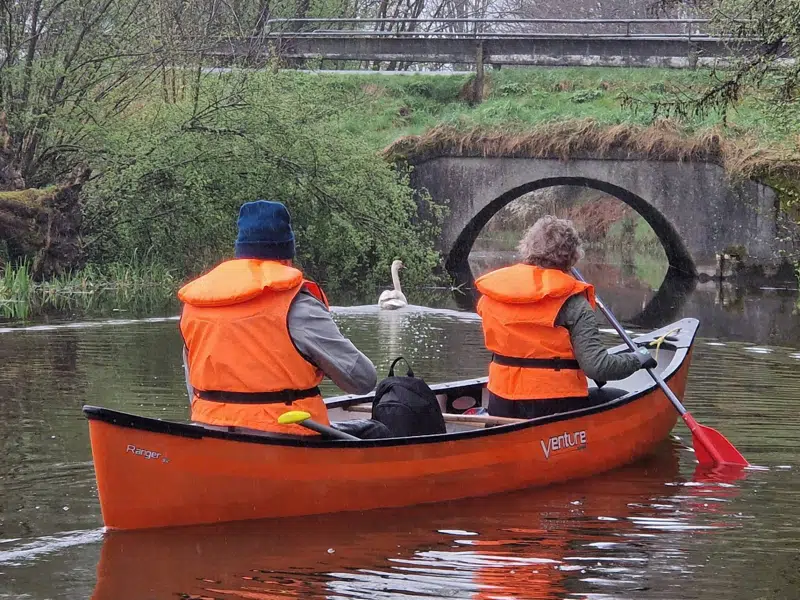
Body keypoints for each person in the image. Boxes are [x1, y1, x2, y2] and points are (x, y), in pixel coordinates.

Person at [178, 200, 377, 435]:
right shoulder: (297, 304)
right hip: (285, 433)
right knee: (377, 431)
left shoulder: (196, 304)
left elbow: (193, 386)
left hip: (210, 429)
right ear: (286, 257)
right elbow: (362, 380)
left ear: (240, 252)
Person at [475, 215, 656, 420]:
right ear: (573, 256)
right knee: (622, 398)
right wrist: (637, 359)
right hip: (554, 405)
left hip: (501, 403)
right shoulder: (574, 303)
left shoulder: (493, 296)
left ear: (527, 246)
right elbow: (598, 367)